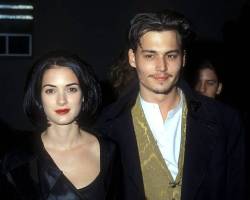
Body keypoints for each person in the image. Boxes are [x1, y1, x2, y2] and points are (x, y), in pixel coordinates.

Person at [97, 9, 246, 200]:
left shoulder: (226, 121)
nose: (162, 67)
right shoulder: (105, 127)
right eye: (150, 56)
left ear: (183, 58)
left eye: (171, 55)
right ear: (133, 58)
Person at [0, 52, 119, 199]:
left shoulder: (112, 152)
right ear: (39, 98)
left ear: (84, 96)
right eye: (50, 90)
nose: (61, 100)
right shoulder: (17, 160)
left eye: (71, 89)